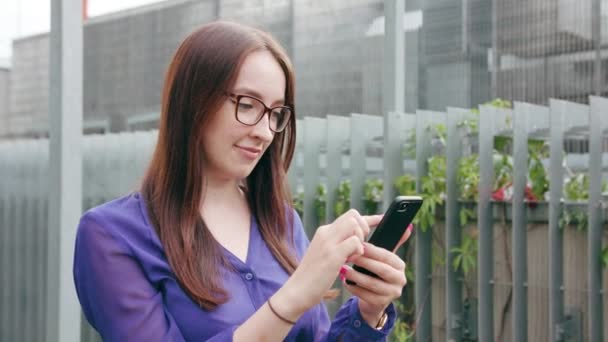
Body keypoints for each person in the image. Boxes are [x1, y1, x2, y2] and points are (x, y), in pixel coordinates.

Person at [73, 20, 410, 341]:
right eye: (247, 105)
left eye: (276, 114)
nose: (264, 132)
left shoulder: (280, 221)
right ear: (193, 102)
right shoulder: (112, 236)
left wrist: (368, 312)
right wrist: (292, 298)